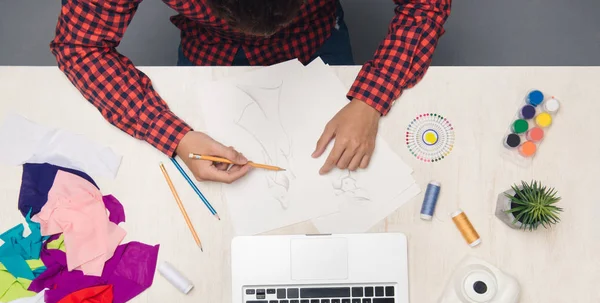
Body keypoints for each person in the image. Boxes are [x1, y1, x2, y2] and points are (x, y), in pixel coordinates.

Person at [51, 0, 451, 184]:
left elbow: (425, 5)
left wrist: (370, 98)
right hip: (207, 49)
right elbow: (79, 45)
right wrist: (175, 137)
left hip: (315, 37)